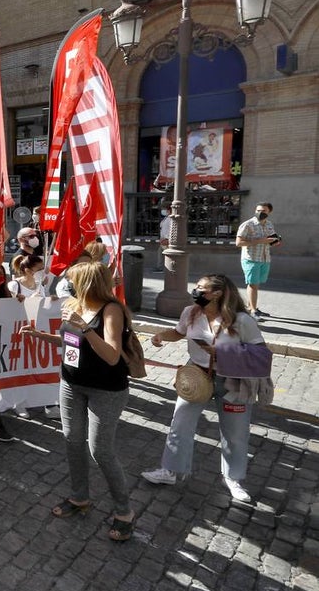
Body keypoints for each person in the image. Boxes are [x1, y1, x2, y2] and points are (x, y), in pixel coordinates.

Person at [20, 262, 135, 542]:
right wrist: (40, 336)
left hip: (106, 390)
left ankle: (124, 511)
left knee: (101, 451)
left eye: (71, 280)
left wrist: (85, 327)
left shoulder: (111, 310)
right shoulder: (74, 304)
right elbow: (71, 344)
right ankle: (79, 497)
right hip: (72, 384)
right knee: (72, 441)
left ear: (88, 282)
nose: (66, 285)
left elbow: (111, 356)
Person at [141, 275, 267, 503]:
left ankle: (233, 479)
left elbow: (260, 353)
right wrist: (161, 336)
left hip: (233, 380)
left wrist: (224, 355)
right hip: (196, 376)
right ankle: (170, 471)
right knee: (180, 423)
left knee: (235, 432)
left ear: (217, 293)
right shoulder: (190, 312)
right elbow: (178, 333)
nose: (196, 291)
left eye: (202, 288)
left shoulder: (241, 321)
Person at [235, 201, 279, 318]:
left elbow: (270, 241)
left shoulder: (269, 224)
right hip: (251, 259)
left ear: (269, 212)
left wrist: (275, 241)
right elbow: (238, 243)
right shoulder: (247, 225)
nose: (260, 213)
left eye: (263, 211)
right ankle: (253, 311)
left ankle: (252, 307)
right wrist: (261, 241)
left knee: (256, 284)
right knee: (253, 284)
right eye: (258, 210)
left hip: (264, 258)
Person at [156, 205, 172, 272]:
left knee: (165, 254)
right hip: (163, 239)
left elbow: (168, 230)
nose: (164, 211)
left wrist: (166, 239)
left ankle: (164, 268)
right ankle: (160, 267)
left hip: (166, 240)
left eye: (166, 210)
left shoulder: (170, 219)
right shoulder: (166, 218)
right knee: (160, 253)